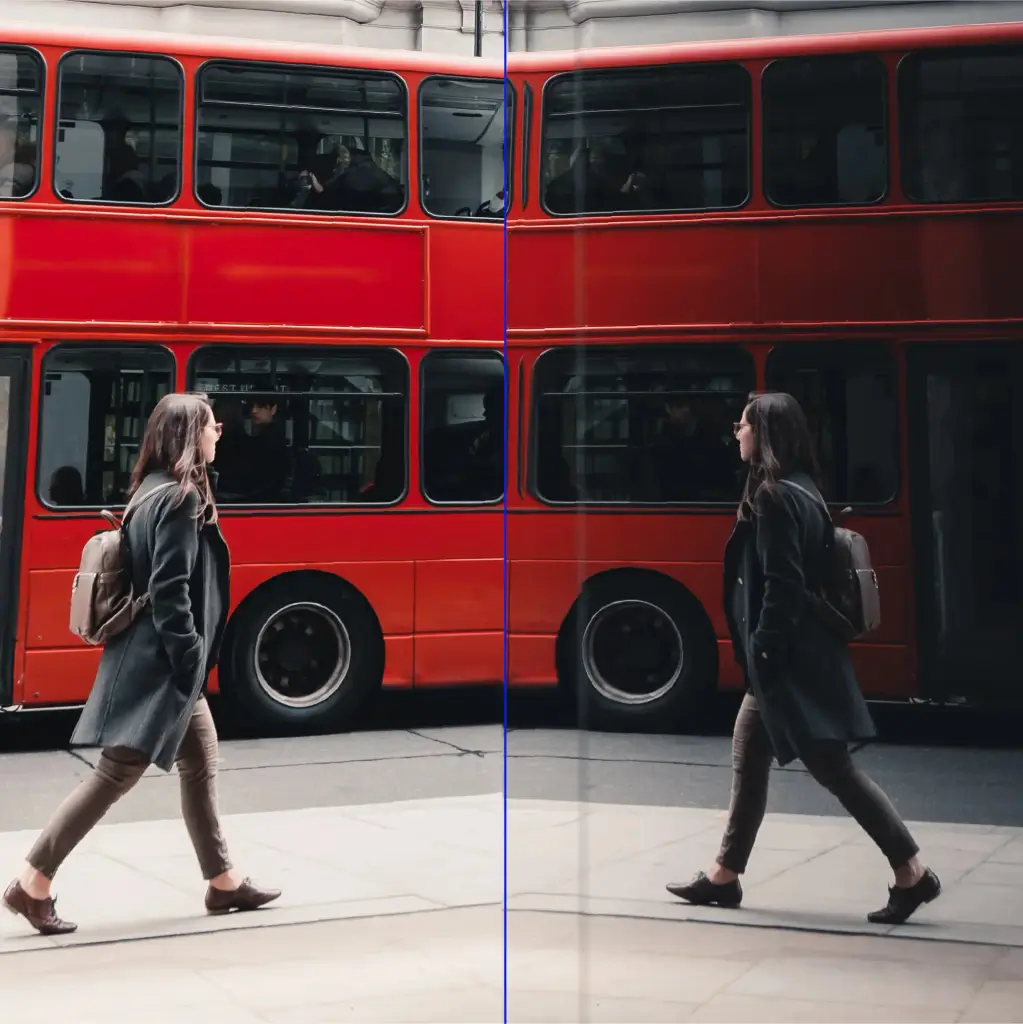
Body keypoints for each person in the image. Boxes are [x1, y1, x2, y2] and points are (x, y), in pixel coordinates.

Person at [3, 393, 280, 935]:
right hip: (162, 666)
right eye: (209, 425)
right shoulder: (178, 499)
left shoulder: (149, 491)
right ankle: (32, 881)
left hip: (164, 663)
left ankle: (222, 880)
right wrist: (191, 658)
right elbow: (170, 591)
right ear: (188, 435)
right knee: (115, 773)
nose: (218, 431)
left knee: (200, 761)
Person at [667, 391, 940, 926]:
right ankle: (725, 875)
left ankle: (911, 872)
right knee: (749, 756)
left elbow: (783, 585)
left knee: (834, 769)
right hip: (792, 657)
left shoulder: (773, 496)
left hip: (788, 662)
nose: (736, 433)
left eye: (743, 425)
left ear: (764, 434)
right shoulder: (803, 488)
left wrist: (763, 651)